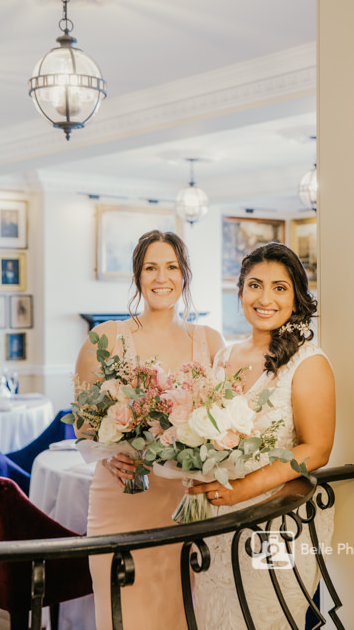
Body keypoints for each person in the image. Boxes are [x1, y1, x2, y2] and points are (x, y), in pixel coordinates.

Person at [75, 230, 225, 630]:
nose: (162, 277)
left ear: (185, 275)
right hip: (123, 500)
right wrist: (108, 458)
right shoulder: (104, 339)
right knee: (124, 614)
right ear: (138, 276)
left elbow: (223, 417)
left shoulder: (209, 341)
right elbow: (84, 424)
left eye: (172, 267)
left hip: (186, 504)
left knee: (183, 613)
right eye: (151, 267)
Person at [188, 242, 336, 629]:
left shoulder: (309, 362)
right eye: (255, 285)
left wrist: (245, 490)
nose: (265, 298)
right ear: (240, 293)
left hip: (275, 521)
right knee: (215, 616)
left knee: (263, 618)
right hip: (217, 523)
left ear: (297, 298)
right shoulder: (224, 358)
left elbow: (317, 449)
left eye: (280, 287)